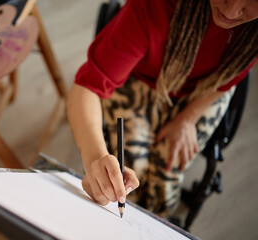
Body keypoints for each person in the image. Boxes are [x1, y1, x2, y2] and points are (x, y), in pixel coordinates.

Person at [67, 0, 258, 217]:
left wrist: (188, 119)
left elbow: (230, 75)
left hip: (207, 89)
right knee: (130, 176)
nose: (231, 11)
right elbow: (87, 87)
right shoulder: (153, 5)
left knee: (167, 176)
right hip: (141, 80)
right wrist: (95, 157)